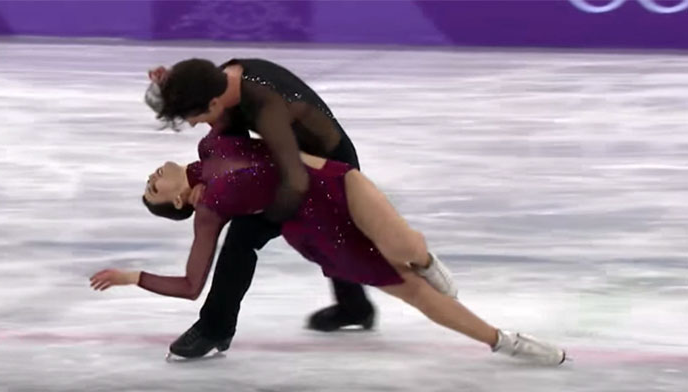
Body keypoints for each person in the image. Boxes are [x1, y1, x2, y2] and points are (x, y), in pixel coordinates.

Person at [89, 131, 566, 366]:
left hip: (333, 183)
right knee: (415, 294)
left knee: (409, 247)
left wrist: (176, 90)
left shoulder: (211, 142)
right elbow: (193, 285)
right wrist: (134, 277)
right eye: (153, 190)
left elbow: (232, 102)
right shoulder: (210, 213)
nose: (150, 178)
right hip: (315, 230)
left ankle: (423, 258)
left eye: (149, 182)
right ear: (177, 202)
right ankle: (504, 341)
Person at [141, 58, 380, 358]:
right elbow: (227, 135)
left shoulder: (266, 109)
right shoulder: (221, 79)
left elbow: (294, 182)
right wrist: (168, 86)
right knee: (328, 236)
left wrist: (256, 212)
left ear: (212, 102)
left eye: (195, 116)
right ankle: (354, 307)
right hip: (299, 157)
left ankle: (214, 328)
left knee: (243, 238)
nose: (193, 124)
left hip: (326, 168)